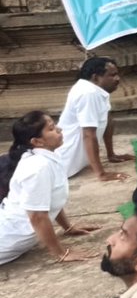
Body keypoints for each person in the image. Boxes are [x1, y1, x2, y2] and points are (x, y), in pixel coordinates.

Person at [0, 111, 98, 265]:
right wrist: (61, 253)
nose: (59, 129)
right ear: (37, 142)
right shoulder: (38, 168)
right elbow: (37, 216)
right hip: (7, 237)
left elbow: (51, 199)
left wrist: (68, 227)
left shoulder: (46, 158)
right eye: (51, 129)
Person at [57, 56, 133, 180]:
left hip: (79, 161)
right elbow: (88, 134)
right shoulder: (88, 93)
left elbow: (107, 120)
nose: (118, 79)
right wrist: (101, 174)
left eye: (117, 74)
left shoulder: (98, 90)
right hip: (66, 163)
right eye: (112, 75)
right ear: (95, 77)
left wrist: (111, 154)